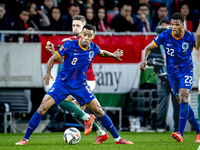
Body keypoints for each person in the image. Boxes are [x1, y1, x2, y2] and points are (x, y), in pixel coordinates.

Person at [15, 24, 133, 145]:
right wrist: (48, 73)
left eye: (89, 35)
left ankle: (118, 139)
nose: (86, 38)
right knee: (42, 108)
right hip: (63, 84)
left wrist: (113, 55)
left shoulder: (93, 48)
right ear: (81, 34)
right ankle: (25, 139)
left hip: (80, 85)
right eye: (85, 34)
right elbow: (53, 59)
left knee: (99, 112)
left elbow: (102, 53)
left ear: (93, 36)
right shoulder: (69, 45)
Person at [140, 12, 200, 142]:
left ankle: (180, 133)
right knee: (183, 103)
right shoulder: (165, 35)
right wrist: (144, 60)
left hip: (186, 71)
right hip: (172, 74)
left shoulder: (190, 37)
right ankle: (199, 132)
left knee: (184, 97)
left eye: (177, 25)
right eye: (172, 24)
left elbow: (199, 48)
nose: (173, 27)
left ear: (182, 25)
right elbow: (148, 48)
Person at [49, 15, 109, 144]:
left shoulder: (87, 41)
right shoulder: (69, 42)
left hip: (86, 81)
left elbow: (100, 52)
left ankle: (102, 130)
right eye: (73, 26)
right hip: (73, 82)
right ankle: (101, 132)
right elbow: (62, 60)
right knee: (77, 112)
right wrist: (52, 52)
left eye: (78, 26)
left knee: (69, 106)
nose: (75, 28)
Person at [148, 20, 180, 132]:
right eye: (162, 28)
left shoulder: (176, 41)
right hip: (162, 75)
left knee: (178, 102)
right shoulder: (156, 41)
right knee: (162, 101)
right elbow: (149, 55)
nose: (164, 30)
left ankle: (177, 127)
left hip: (175, 76)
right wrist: (162, 57)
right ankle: (160, 126)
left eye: (166, 28)